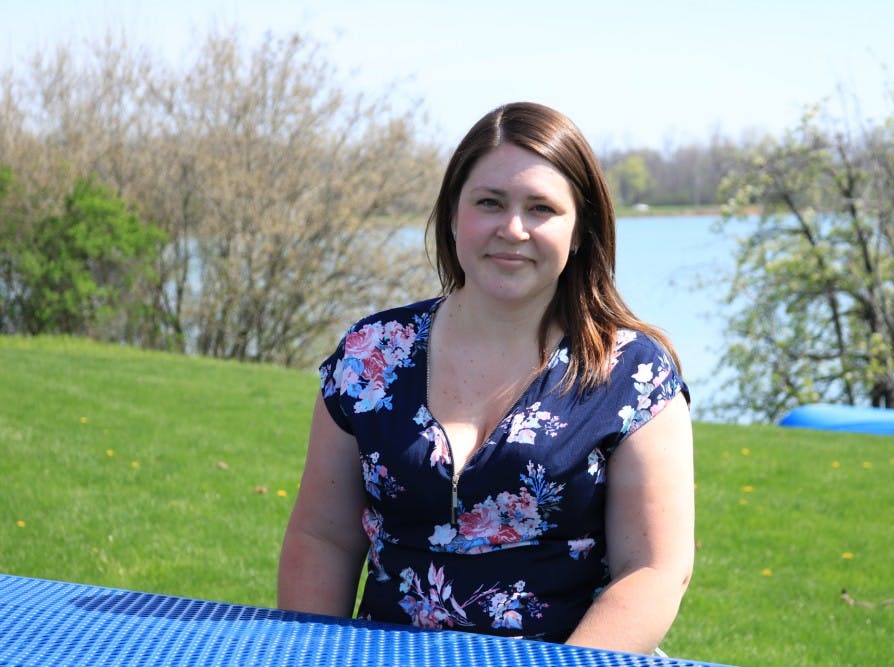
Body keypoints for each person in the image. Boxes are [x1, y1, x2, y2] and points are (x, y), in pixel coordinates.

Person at [277, 101, 695, 655]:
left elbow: (653, 572)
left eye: (541, 208)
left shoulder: (634, 375)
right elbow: (322, 537)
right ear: (454, 216)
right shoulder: (368, 354)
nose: (513, 228)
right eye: (489, 203)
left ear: (579, 232)